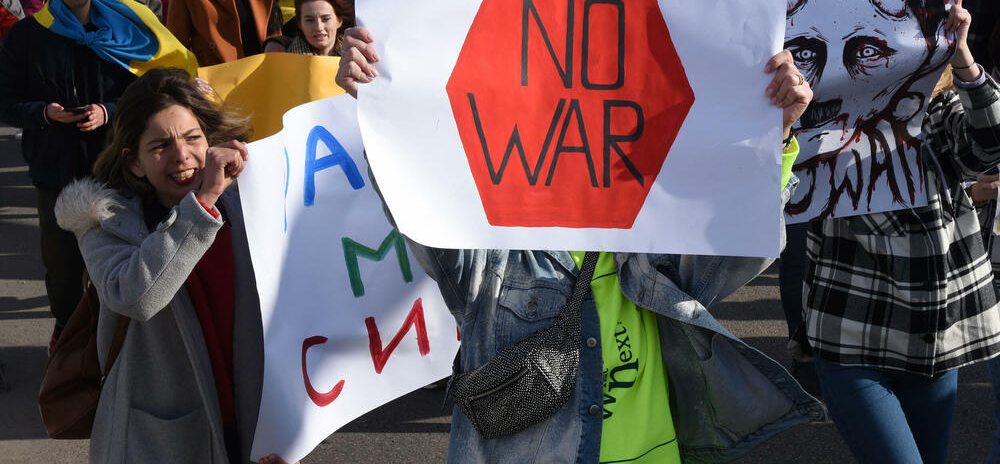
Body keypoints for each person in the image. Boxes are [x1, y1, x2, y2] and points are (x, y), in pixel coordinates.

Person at [335, 27, 824, 462]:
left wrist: (773, 133)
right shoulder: (492, 251)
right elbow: (418, 210)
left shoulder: (648, 239)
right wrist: (381, 104)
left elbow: (736, 247)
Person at [798, 0, 1000, 464]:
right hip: (849, 332)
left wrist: (962, 56)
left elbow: (990, 145)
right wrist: (786, 118)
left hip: (933, 335)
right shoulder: (816, 112)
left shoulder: (937, 108)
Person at [52, 67, 272, 463]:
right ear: (134, 162)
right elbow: (138, 297)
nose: (182, 156)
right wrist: (202, 204)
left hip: (255, 420)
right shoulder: (103, 223)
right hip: (159, 440)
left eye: (192, 138)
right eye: (160, 146)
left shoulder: (248, 208)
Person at [0, 0, 144, 352]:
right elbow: (6, 102)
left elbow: (140, 92)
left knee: (121, 266)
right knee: (63, 272)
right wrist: (45, 113)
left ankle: (119, 349)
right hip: (55, 172)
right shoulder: (26, 36)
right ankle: (67, 343)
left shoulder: (121, 29)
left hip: (114, 170)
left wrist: (108, 112)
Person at [266, 0, 352, 56]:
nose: (319, 27)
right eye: (310, 20)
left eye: (325, 19)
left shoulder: (354, 51)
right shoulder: (283, 59)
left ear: (339, 21)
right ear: (300, 24)